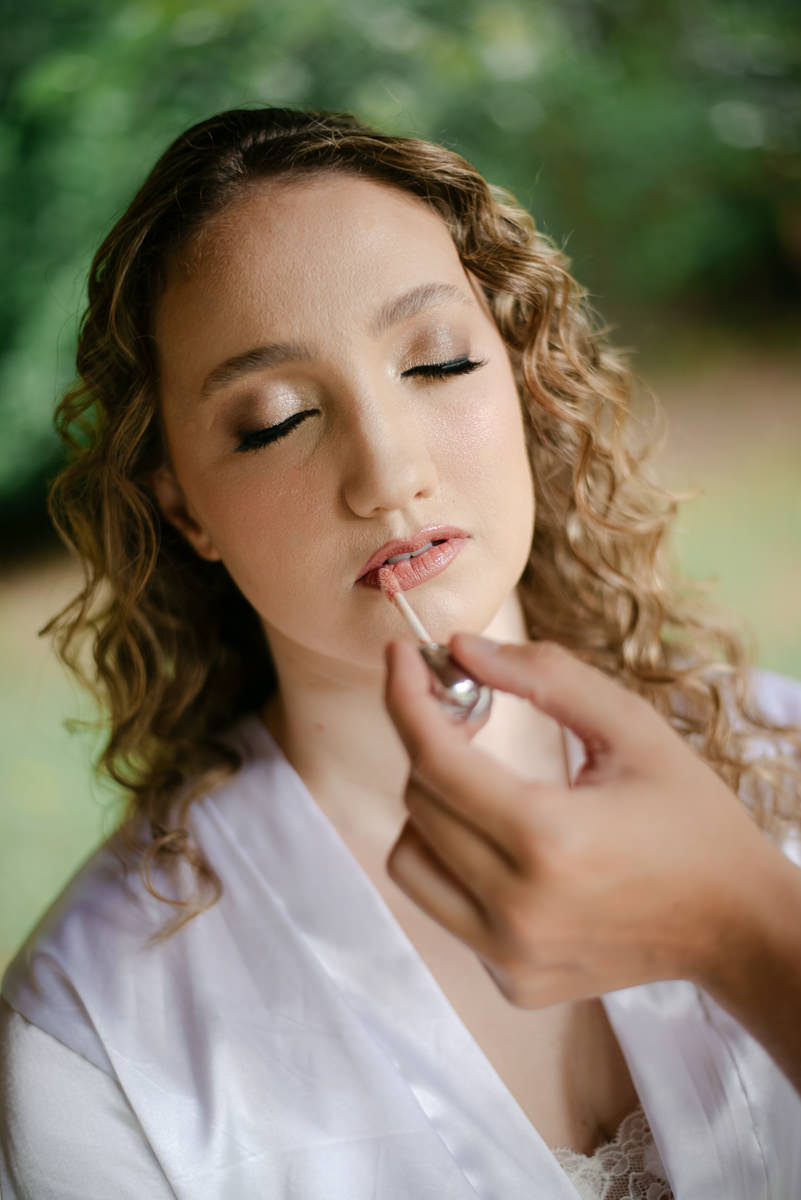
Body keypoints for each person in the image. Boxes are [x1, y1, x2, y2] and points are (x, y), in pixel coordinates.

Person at [1, 105, 800, 1199]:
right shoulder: (93, 1041)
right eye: (276, 420)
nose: (387, 474)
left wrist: (745, 929)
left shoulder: (784, 756)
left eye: (438, 362)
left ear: (518, 373)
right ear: (184, 507)